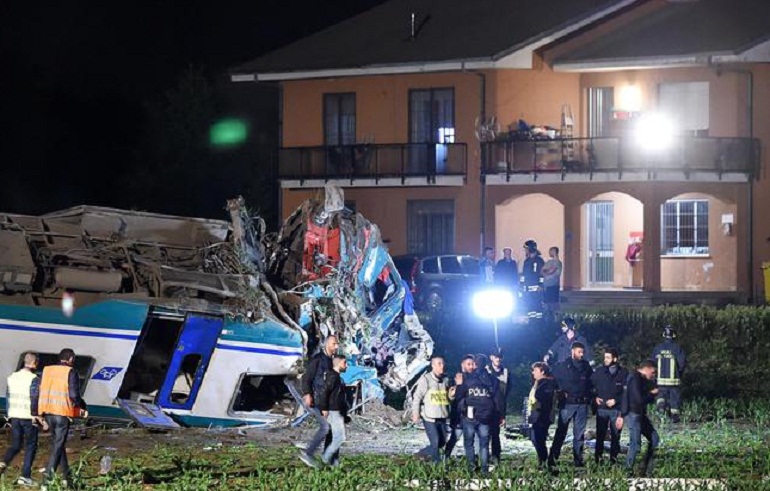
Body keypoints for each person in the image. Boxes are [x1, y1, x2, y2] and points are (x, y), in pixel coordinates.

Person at [38, 349, 88, 489]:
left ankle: (68, 480)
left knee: (58, 446)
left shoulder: (46, 370)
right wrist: (82, 406)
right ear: (71, 358)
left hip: (47, 412)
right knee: (57, 447)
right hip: (62, 413)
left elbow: (38, 390)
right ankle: (46, 482)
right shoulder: (70, 372)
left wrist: (37, 413)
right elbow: (73, 395)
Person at [1, 352, 45, 487]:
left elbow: (8, 397)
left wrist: (9, 414)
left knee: (15, 445)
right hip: (28, 417)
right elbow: (34, 398)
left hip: (14, 415)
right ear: (34, 363)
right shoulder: (34, 378)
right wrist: (38, 416)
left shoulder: (12, 377)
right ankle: (25, 476)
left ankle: (3, 462)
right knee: (31, 446)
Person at [548, 342, 593, 468]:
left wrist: (590, 397)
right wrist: (559, 392)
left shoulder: (586, 367)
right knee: (561, 432)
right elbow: (553, 380)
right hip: (567, 405)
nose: (582, 354)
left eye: (583, 352)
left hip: (582, 405)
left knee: (579, 435)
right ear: (572, 351)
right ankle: (553, 458)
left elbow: (591, 383)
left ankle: (578, 461)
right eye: (579, 352)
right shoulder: (562, 367)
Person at [455, 354, 499, 474]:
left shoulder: (468, 379)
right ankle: (484, 470)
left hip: (470, 416)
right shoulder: (492, 380)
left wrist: (459, 385)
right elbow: (497, 399)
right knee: (484, 445)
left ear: (475, 364)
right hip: (486, 417)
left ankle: (472, 469)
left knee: (469, 444)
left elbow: (458, 395)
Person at [298, 335, 339, 467]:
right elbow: (307, 378)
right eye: (334, 344)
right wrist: (307, 394)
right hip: (315, 399)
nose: (336, 347)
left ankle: (330, 459)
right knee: (325, 427)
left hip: (323, 401)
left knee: (330, 428)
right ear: (326, 345)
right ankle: (308, 453)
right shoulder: (317, 360)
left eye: (337, 344)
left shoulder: (331, 361)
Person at [618, 359, 660, 477]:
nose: (653, 375)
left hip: (639, 414)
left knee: (655, 438)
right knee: (635, 445)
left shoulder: (641, 379)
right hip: (633, 415)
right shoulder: (634, 378)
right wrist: (652, 394)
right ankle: (628, 471)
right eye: (653, 372)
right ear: (646, 369)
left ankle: (645, 469)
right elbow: (638, 399)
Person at [411, 356, 451, 464]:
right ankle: (436, 465)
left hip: (442, 417)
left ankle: (422, 453)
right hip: (429, 417)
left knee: (442, 442)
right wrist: (416, 413)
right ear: (432, 365)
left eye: (443, 363)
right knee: (435, 441)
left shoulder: (446, 380)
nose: (442, 366)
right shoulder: (426, 379)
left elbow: (448, 397)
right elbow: (417, 397)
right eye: (439, 363)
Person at [591, 348, 628, 464]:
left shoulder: (623, 374)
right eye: (605, 357)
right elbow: (590, 386)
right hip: (601, 410)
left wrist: (616, 401)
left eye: (608, 357)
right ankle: (598, 459)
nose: (605, 359)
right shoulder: (599, 372)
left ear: (615, 359)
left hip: (616, 411)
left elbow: (627, 393)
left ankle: (614, 460)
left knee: (615, 437)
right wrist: (595, 397)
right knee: (600, 436)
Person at [317, 354, 350, 467]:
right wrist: (324, 408)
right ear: (339, 363)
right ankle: (326, 457)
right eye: (345, 363)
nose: (347, 365)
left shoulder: (336, 377)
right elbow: (324, 392)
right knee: (339, 437)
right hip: (333, 410)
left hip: (336, 410)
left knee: (332, 437)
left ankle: (334, 462)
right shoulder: (333, 377)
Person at [652, 325, 686, 423]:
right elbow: (682, 363)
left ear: (664, 335)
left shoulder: (657, 348)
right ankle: (674, 419)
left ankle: (661, 407)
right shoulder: (677, 348)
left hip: (660, 381)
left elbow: (652, 363)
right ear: (674, 335)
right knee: (674, 401)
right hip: (674, 381)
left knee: (661, 396)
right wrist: (678, 373)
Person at [445, 355, 476, 459]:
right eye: (469, 364)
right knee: (455, 437)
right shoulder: (455, 378)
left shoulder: (475, 378)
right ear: (462, 364)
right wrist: (458, 386)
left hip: (471, 415)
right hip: (458, 414)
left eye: (472, 364)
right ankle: (446, 457)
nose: (471, 366)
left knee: (470, 440)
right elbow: (450, 397)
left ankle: (472, 463)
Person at [526, 362, 556, 469]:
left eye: (535, 370)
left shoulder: (547, 383)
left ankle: (543, 462)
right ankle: (542, 461)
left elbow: (541, 397)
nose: (533, 372)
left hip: (542, 416)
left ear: (542, 371)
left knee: (539, 439)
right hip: (536, 415)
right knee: (536, 439)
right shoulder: (537, 382)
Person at [486, 350, 511, 465]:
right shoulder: (485, 370)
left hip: (498, 407)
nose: (498, 359)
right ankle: (484, 456)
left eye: (500, 357)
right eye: (496, 357)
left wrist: (503, 414)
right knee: (485, 434)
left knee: (495, 434)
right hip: (486, 407)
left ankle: (496, 456)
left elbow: (507, 392)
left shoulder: (506, 372)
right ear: (491, 357)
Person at [520, 240, 545, 320]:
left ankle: (538, 322)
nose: (525, 251)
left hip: (536, 289)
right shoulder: (527, 261)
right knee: (530, 306)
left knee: (537, 306)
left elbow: (542, 274)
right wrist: (521, 284)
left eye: (526, 249)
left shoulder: (539, 261)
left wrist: (540, 285)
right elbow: (524, 274)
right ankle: (531, 322)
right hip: (527, 289)